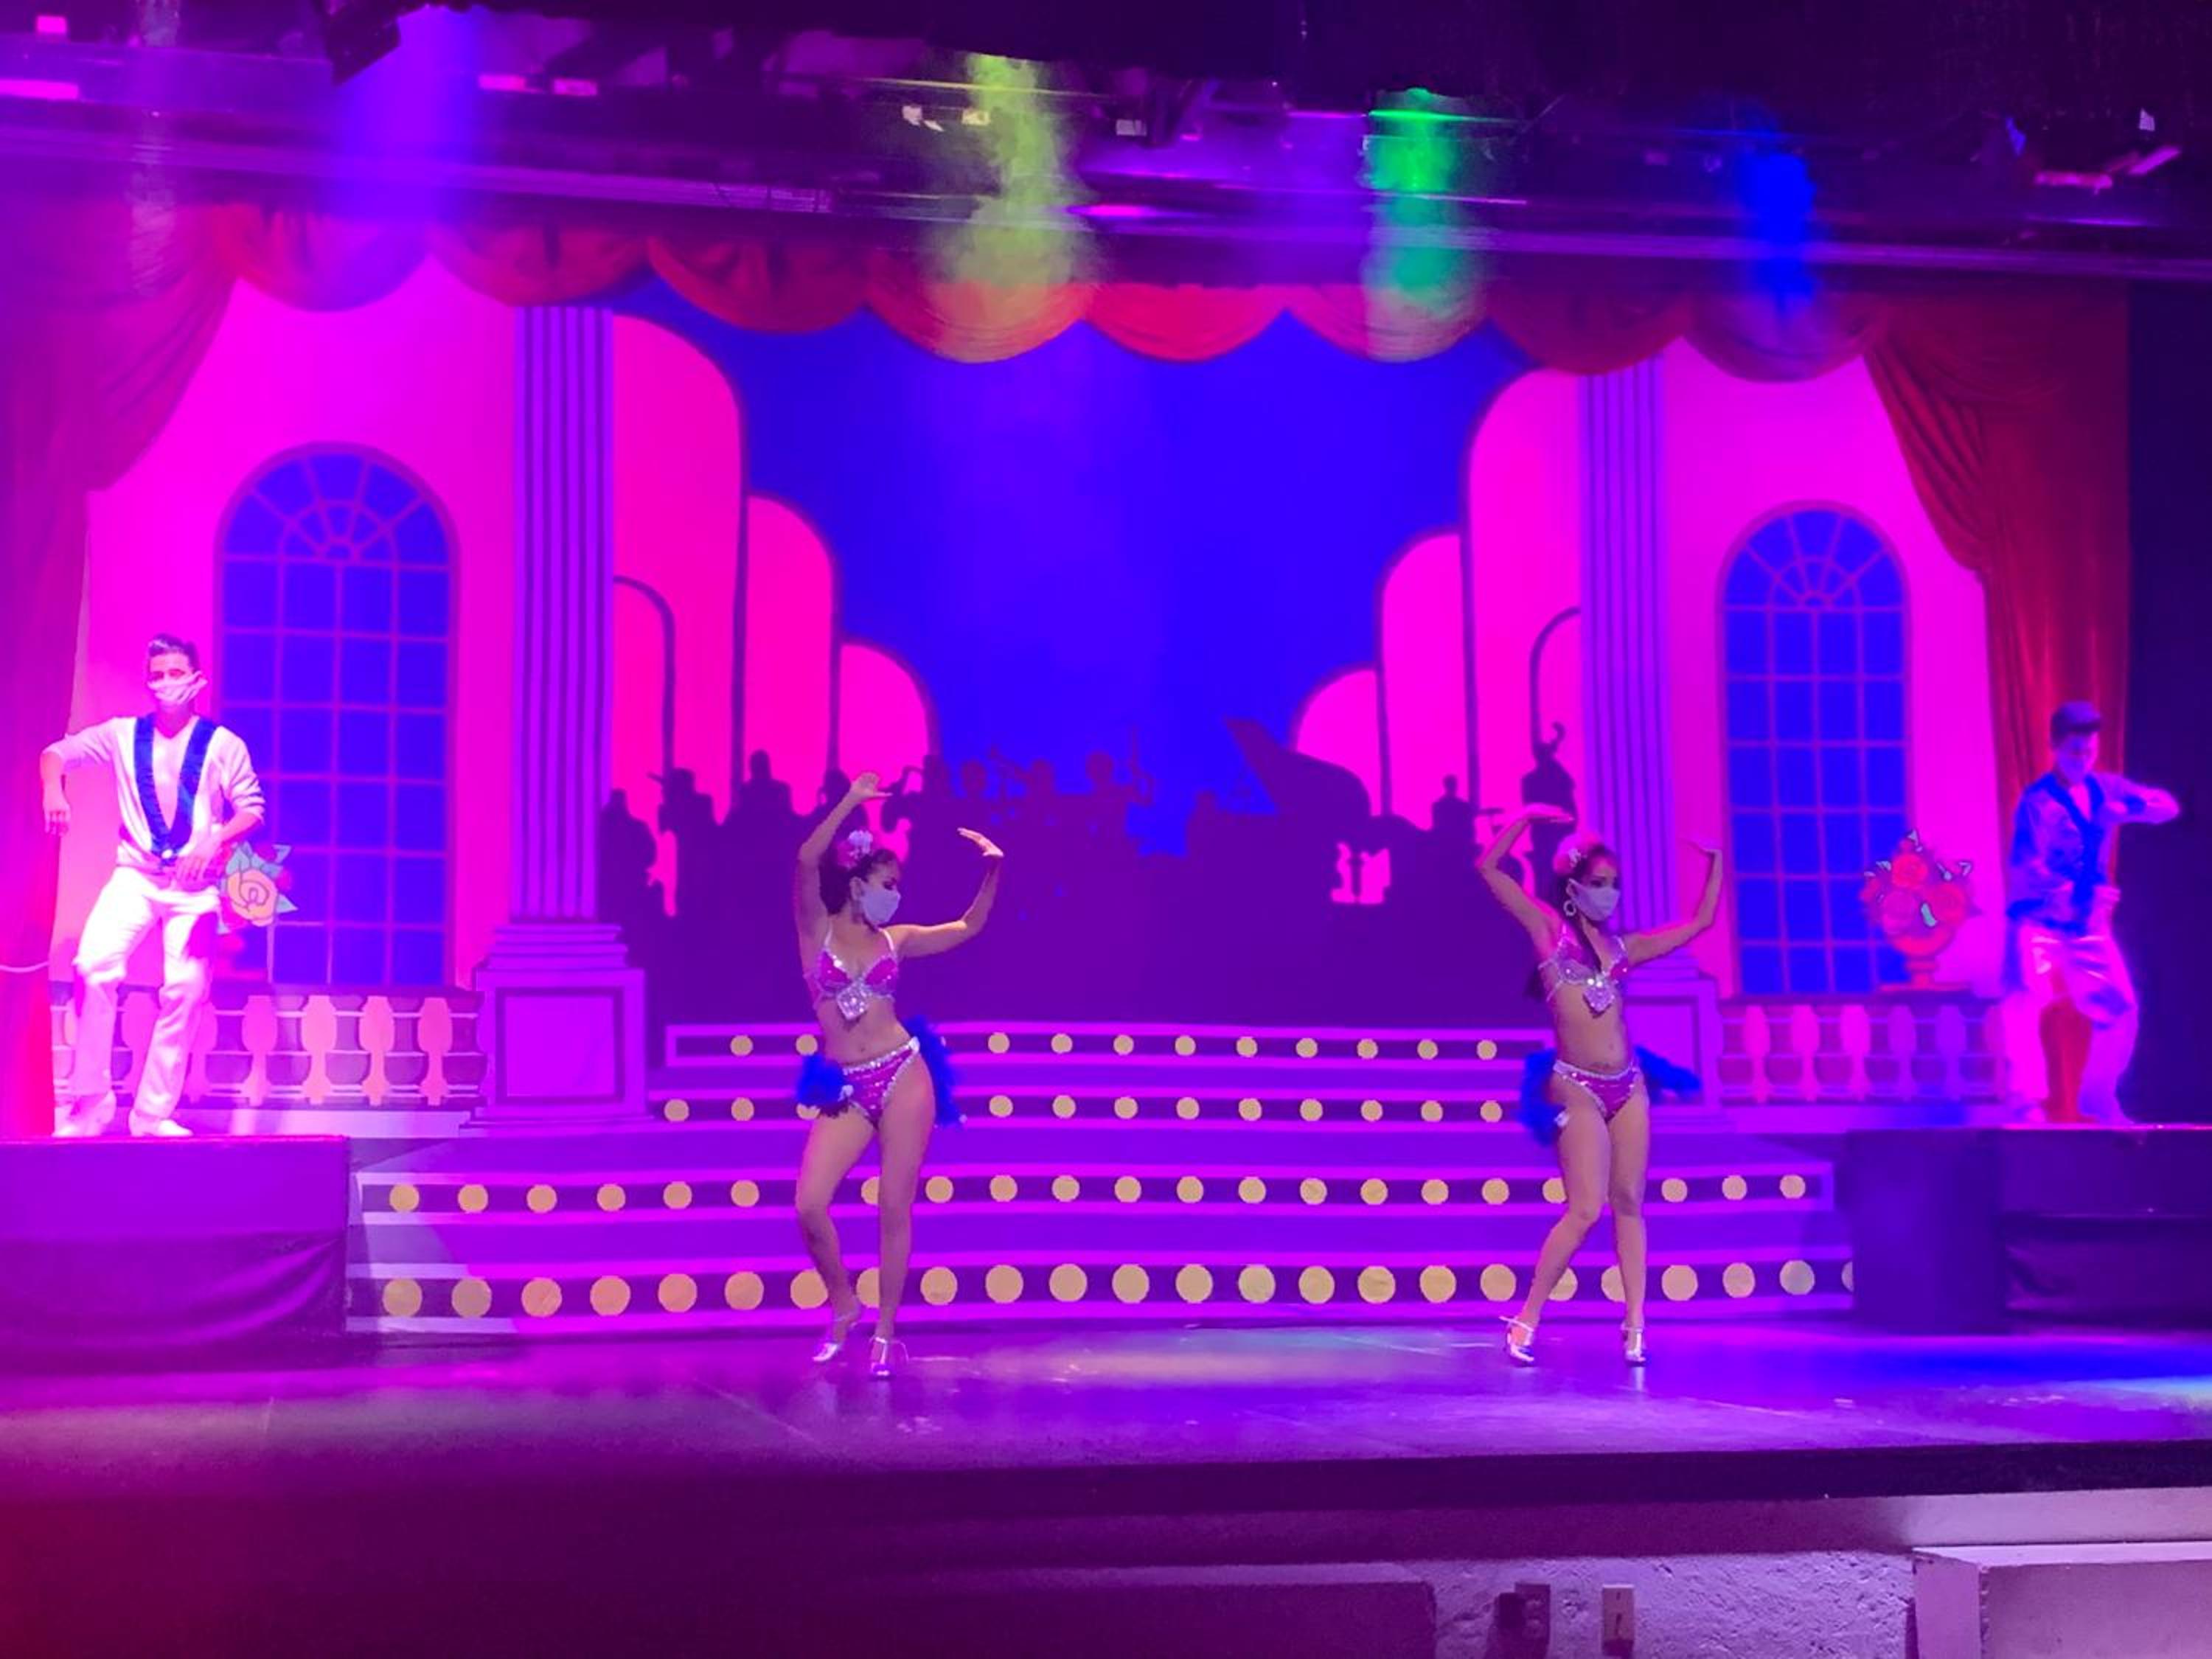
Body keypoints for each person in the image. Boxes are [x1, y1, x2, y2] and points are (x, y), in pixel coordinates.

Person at [1478, 808, 1720, 1366]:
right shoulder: (1550, 935)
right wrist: (1524, 818)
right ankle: (1527, 1317)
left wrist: (1716, 863)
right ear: (1573, 889)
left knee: (1630, 1203)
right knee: (1586, 1208)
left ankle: (1635, 1324)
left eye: (1614, 885)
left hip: (1628, 1084)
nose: (1609, 894)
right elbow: (1489, 869)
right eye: (1599, 883)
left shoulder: (1623, 951)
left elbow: (1700, 923)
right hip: (1575, 1086)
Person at [791, 770, 1003, 1377]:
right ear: (858, 885)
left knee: (893, 1205)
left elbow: (967, 927)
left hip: (903, 1072)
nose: (895, 896)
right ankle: (843, 1303)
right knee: (810, 1204)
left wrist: (993, 870)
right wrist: (851, 802)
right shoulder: (815, 931)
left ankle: (886, 1330)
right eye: (888, 885)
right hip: (847, 1084)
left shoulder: (896, 939)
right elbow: (805, 860)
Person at [41, 634, 265, 1138]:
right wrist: (54, 790)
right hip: (136, 876)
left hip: (195, 887)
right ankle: (89, 1102)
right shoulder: (123, 735)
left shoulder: (223, 745)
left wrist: (214, 839)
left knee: (185, 989)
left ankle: (152, 1113)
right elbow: (56, 753)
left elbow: (252, 808)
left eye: (175, 674)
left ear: (197, 681)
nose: (165, 684)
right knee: (93, 966)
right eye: (157, 675)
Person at [2003, 701, 2180, 1124]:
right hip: (2039, 920)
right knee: (2023, 997)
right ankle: (2026, 1101)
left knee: (2121, 1008)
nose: (2083, 760)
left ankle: (2098, 1096)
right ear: (2055, 748)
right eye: (2074, 753)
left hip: (2085, 925)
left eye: (2089, 752)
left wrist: (2128, 809)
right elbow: (2027, 865)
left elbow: (2168, 807)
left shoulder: (2106, 788)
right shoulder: (2038, 802)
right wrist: (2073, 893)